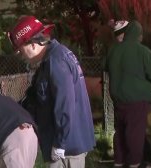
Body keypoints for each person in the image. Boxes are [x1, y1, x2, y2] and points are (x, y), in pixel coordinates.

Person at [8, 15, 95, 168]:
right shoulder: (53, 58)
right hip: (66, 144)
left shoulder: (56, 61)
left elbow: (64, 104)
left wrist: (60, 143)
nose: (22, 57)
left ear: (33, 44)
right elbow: (35, 97)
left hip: (66, 150)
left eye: (21, 52)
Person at [106, 20, 151, 168]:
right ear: (138, 35)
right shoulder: (143, 51)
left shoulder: (113, 50)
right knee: (135, 134)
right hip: (137, 99)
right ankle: (135, 163)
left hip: (118, 99)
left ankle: (119, 161)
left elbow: (106, 67)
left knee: (121, 132)